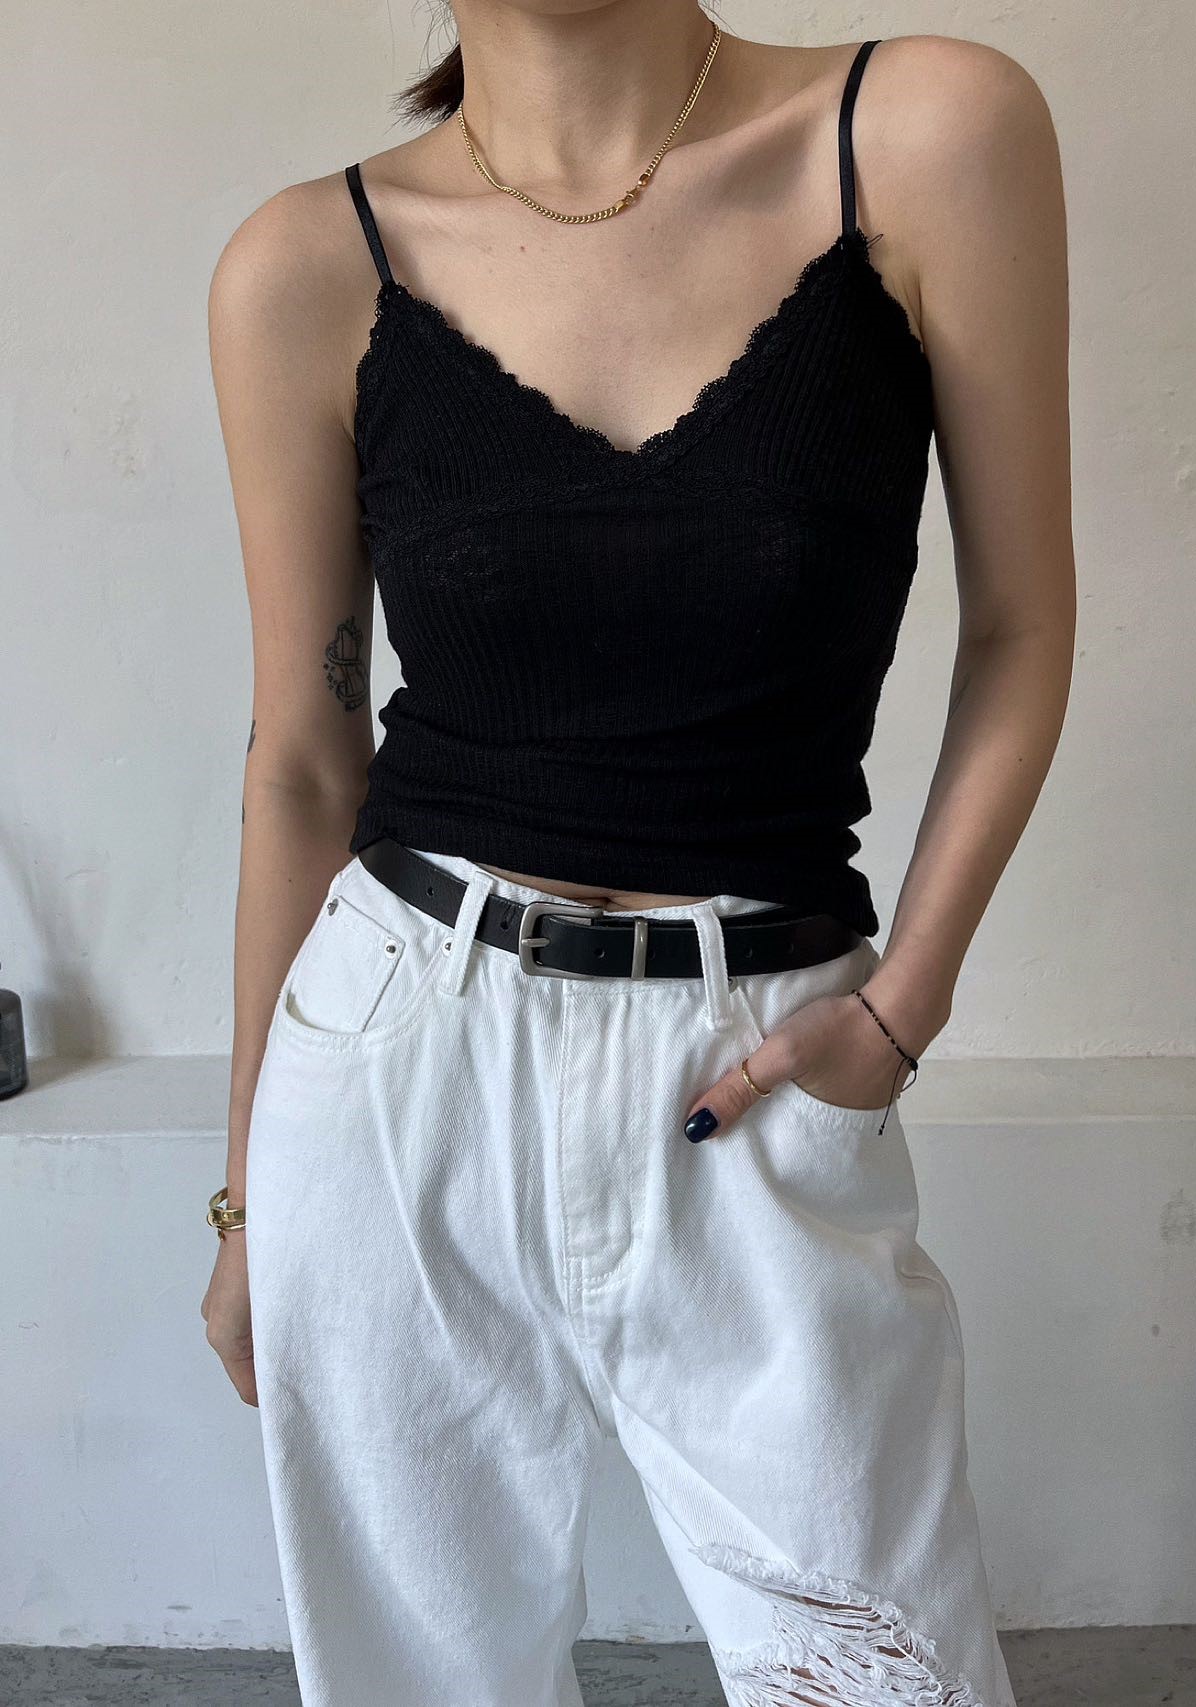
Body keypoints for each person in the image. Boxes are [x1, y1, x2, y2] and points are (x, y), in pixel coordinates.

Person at [203, 4, 1072, 1703]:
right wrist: (246, 1207)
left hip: (755, 1059)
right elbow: (302, 761)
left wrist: (904, 1004)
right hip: (398, 1073)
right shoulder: (305, 266)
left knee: (887, 1677)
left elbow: (1023, 628)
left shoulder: (917, 135)